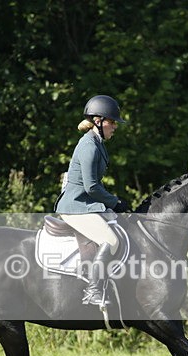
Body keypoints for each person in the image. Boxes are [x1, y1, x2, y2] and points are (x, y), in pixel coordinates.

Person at [55, 95, 130, 306]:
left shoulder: (98, 143)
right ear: (98, 121)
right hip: (76, 206)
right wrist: (114, 202)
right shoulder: (89, 145)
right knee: (111, 241)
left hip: (86, 204)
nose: (115, 127)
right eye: (112, 122)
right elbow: (91, 187)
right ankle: (93, 291)